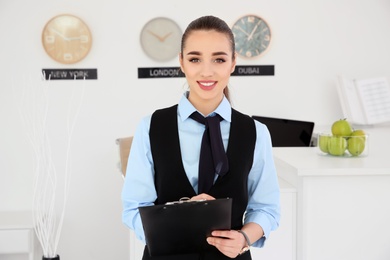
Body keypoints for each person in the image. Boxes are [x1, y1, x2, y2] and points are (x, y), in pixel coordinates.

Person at [122, 15, 280, 260]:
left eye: (219, 59)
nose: (207, 71)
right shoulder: (150, 127)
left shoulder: (256, 132)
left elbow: (266, 209)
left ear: (233, 62)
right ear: (182, 63)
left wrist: (244, 238)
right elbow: (134, 208)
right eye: (195, 59)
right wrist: (177, 220)